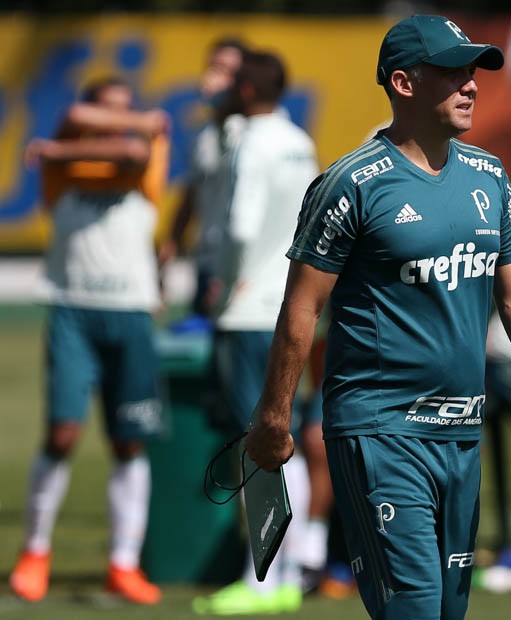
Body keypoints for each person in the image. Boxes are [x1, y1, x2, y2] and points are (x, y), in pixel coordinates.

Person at [243, 15, 511, 620]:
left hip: (462, 432)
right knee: (415, 609)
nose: (470, 84)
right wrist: (273, 417)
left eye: (472, 72)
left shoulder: (489, 176)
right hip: (381, 432)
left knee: (447, 611)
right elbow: (301, 308)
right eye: (452, 71)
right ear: (403, 83)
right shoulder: (350, 184)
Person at [10, 76, 170, 605]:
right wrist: (69, 140)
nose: (120, 123)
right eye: (105, 113)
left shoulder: (140, 156)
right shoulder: (62, 171)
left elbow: (129, 149)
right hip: (73, 312)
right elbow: (77, 130)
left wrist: (86, 137)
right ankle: (35, 550)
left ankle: (122, 563)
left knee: (129, 441)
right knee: (61, 435)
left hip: (130, 313)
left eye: (129, 111)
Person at [190, 51, 318, 615]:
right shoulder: (300, 141)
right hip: (293, 307)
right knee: (285, 437)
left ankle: (263, 579)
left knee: (257, 441)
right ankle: (291, 570)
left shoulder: (249, 141)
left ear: (243, 91)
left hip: (249, 309)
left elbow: (239, 226)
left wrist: (225, 280)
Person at [158, 37, 247, 318]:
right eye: (213, 67)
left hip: (244, 266)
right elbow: (193, 193)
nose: (215, 77)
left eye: (227, 71)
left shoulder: (254, 131)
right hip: (208, 260)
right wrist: (171, 244)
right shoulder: (204, 133)